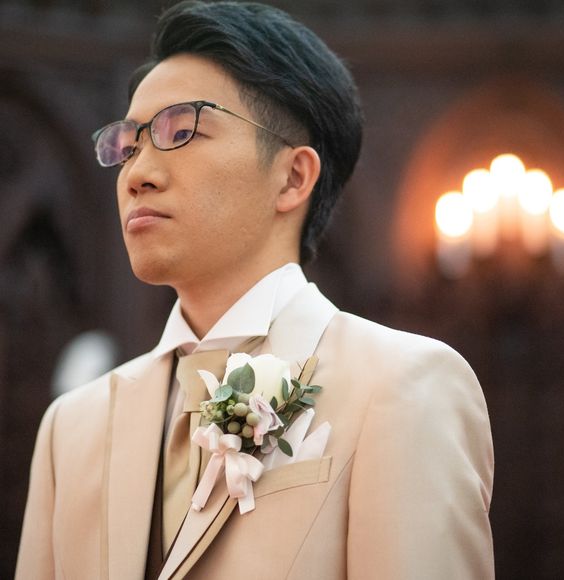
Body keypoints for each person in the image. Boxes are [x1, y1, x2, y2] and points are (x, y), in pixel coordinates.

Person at [16, 1, 494, 579]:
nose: (136, 173)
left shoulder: (403, 387)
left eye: (180, 131)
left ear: (292, 177)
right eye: (129, 144)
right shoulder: (71, 429)